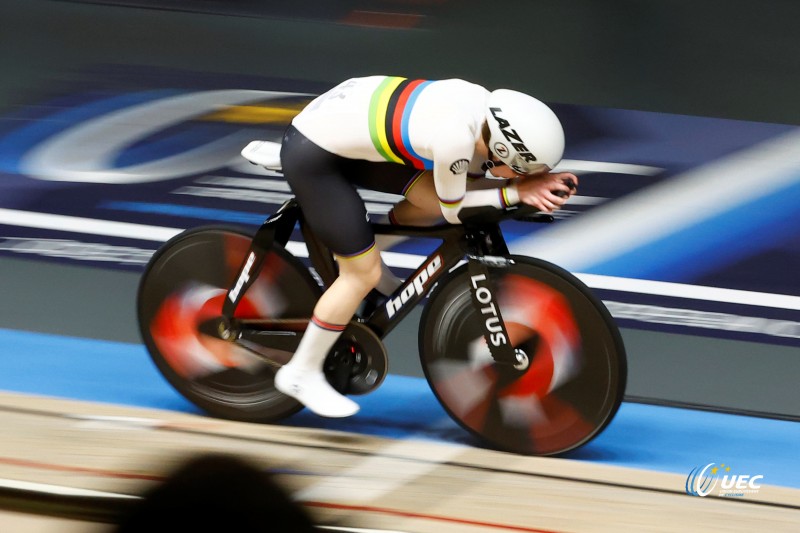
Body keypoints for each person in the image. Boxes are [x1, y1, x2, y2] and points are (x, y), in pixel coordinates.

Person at [274, 75, 579, 417]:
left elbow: (472, 184)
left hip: (346, 127)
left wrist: (520, 187)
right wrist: (516, 193)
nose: (525, 175)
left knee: (424, 201)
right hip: (315, 155)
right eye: (524, 169)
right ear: (504, 150)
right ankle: (300, 372)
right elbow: (454, 209)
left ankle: (359, 247)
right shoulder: (455, 138)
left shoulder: (483, 113)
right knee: (360, 274)